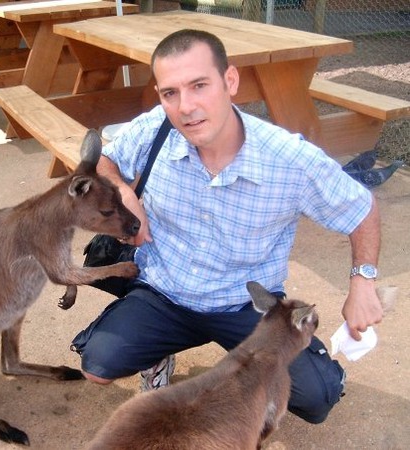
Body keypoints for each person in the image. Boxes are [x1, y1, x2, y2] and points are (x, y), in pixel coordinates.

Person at [70, 29, 383, 424]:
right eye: (170, 93)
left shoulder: (290, 160)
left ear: (230, 81)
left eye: (199, 85)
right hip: (164, 290)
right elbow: (104, 160)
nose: (186, 107)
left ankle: (296, 367)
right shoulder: (156, 128)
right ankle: (156, 353)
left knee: (316, 398)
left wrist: (363, 281)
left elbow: (361, 209)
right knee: (97, 364)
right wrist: (121, 191)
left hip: (246, 303)